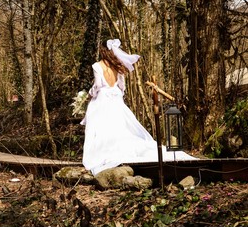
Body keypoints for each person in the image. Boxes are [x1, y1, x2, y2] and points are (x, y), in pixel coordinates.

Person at [81, 39, 196, 176]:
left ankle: (101, 153)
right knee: (120, 127)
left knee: (102, 127)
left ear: (103, 51)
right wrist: (116, 94)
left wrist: (89, 94)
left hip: (103, 98)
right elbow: (122, 87)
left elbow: (98, 85)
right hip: (116, 98)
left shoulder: (97, 66)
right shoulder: (118, 66)